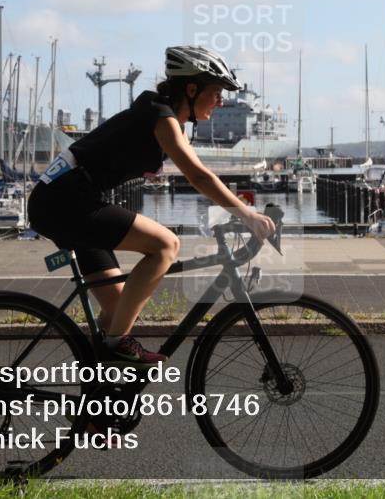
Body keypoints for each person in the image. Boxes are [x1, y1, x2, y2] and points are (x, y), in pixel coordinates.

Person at [27, 46, 276, 364]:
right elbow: (199, 177)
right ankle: (117, 343)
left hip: (69, 199)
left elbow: (204, 177)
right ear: (191, 88)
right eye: (215, 92)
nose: (220, 100)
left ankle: (96, 400)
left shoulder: (169, 119)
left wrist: (236, 210)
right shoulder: (160, 115)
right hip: (66, 200)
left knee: (120, 309)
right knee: (165, 245)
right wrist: (248, 216)